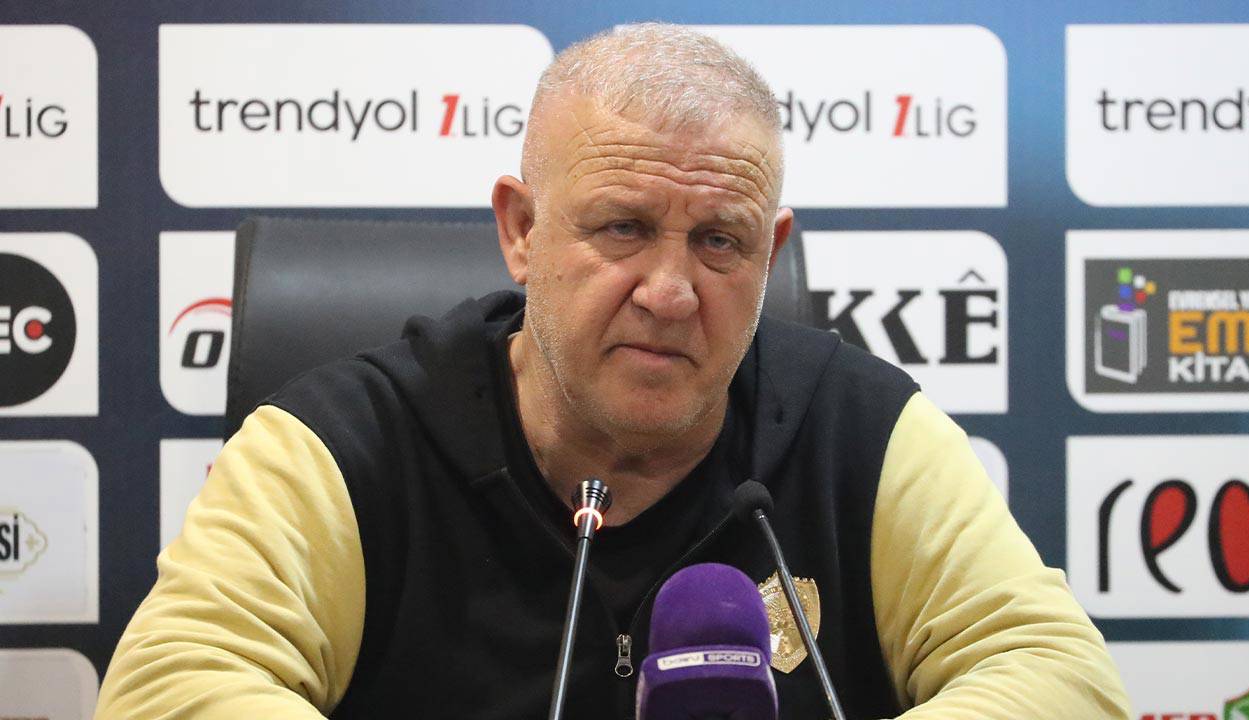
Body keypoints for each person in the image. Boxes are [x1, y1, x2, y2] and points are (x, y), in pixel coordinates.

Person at [96, 23, 1130, 719]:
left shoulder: (858, 428)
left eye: (719, 241)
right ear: (521, 230)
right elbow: (174, 685)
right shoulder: (342, 443)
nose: (670, 292)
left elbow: (1057, 676)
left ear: (770, 252)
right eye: (623, 228)